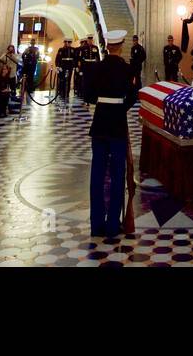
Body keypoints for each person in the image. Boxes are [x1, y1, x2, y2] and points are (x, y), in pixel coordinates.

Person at [87, 30, 132, 238]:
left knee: (97, 173)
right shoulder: (126, 69)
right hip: (117, 124)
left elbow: (87, 94)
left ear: (107, 46)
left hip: (100, 122)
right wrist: (120, 107)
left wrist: (102, 102)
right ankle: (113, 224)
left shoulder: (96, 68)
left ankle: (96, 225)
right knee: (117, 174)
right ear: (121, 46)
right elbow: (133, 95)